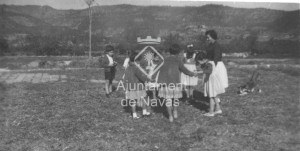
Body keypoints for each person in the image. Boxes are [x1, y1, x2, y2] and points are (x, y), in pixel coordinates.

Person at [157, 44, 198, 122]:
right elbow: (184, 70)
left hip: (165, 83)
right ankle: (175, 111)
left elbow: (157, 69)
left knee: (168, 100)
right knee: (176, 98)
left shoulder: (164, 60)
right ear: (178, 52)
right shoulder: (178, 60)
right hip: (175, 83)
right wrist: (193, 74)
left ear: (169, 51)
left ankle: (170, 116)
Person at [123, 52, 152, 119]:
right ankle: (144, 112)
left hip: (131, 87)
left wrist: (125, 86)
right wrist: (148, 80)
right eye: (139, 61)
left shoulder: (128, 68)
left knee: (133, 100)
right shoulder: (137, 68)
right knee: (143, 98)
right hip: (139, 87)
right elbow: (141, 77)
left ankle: (134, 114)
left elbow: (125, 78)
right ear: (136, 61)